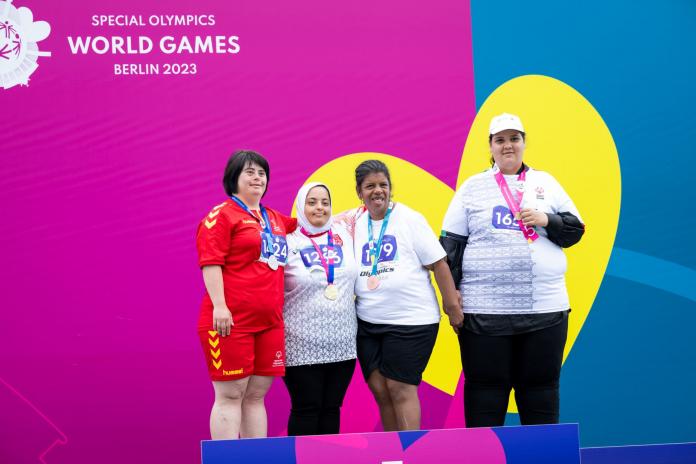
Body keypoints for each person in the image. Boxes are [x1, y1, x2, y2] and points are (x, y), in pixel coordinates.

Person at [441, 113, 585, 427]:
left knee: (540, 393)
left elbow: (575, 232)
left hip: (545, 311)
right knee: (485, 394)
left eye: (514, 138)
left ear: (523, 143)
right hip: (485, 313)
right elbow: (451, 247)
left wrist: (548, 219)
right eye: (500, 140)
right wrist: (452, 301)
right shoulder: (472, 187)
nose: (508, 146)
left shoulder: (545, 183)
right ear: (490, 147)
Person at [350, 160, 463, 431]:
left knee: (400, 387)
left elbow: (438, 263)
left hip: (411, 321)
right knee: (379, 388)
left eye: (383, 185)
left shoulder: (409, 219)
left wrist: (452, 308)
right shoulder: (353, 224)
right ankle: (392, 453)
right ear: (359, 192)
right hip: (368, 323)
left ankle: (409, 452)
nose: (378, 191)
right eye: (370, 186)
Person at [195, 150, 297, 439]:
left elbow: (315, 222)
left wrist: (356, 213)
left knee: (255, 396)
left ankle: (257, 457)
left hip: (270, 322)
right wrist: (220, 307)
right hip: (230, 321)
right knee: (230, 394)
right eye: (249, 172)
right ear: (234, 178)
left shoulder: (275, 219)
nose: (257, 177)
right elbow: (211, 261)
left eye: (262, 173)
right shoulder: (221, 216)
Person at [282, 182, 359, 436]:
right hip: (300, 344)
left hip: (342, 344)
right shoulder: (287, 242)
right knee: (307, 408)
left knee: (331, 409)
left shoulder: (344, 236)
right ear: (301, 206)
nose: (319, 208)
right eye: (312, 202)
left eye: (325, 202)